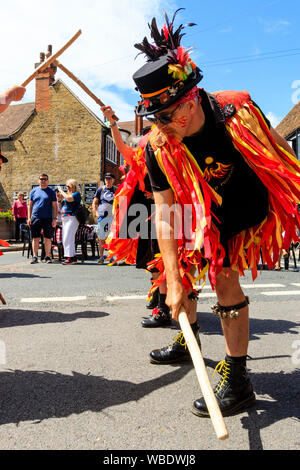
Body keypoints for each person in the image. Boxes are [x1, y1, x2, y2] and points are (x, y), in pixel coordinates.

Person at [131, 11, 300, 417]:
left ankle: (239, 380)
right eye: (152, 117)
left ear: (188, 101)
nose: (159, 125)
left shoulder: (235, 110)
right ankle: (188, 337)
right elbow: (165, 214)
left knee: (224, 279)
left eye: (166, 116)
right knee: (180, 275)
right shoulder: (157, 145)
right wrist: (171, 279)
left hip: (243, 205)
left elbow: (282, 154)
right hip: (197, 210)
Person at [101, 106, 171, 327]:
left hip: (170, 212)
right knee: (153, 260)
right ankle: (159, 297)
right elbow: (121, 146)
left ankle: (165, 307)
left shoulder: (172, 153)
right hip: (149, 214)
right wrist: (112, 123)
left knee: (167, 260)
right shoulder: (140, 156)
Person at [28, 174, 57, 264]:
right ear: (38, 180)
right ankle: (35, 256)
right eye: (41, 179)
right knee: (35, 238)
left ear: (48, 180)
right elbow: (30, 205)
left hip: (47, 218)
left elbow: (55, 206)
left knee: (47, 238)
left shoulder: (51, 192)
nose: (43, 181)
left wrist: (54, 218)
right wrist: (29, 218)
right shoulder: (33, 191)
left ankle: (47, 256)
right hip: (36, 217)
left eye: (45, 179)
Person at [92, 173, 116, 264]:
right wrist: (96, 213)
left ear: (113, 180)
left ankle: (111, 257)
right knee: (101, 238)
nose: (108, 180)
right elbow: (95, 202)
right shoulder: (100, 189)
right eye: (106, 179)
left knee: (111, 238)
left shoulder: (116, 190)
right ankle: (101, 257)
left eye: (110, 179)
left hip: (112, 217)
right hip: (102, 217)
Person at [58, 179, 81, 265]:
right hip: (65, 218)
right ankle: (72, 257)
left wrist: (61, 190)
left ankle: (69, 257)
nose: (67, 188)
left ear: (73, 186)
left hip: (72, 217)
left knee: (68, 237)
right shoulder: (67, 195)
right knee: (67, 238)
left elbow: (68, 199)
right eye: (66, 186)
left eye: (68, 186)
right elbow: (61, 206)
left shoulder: (76, 194)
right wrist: (60, 199)